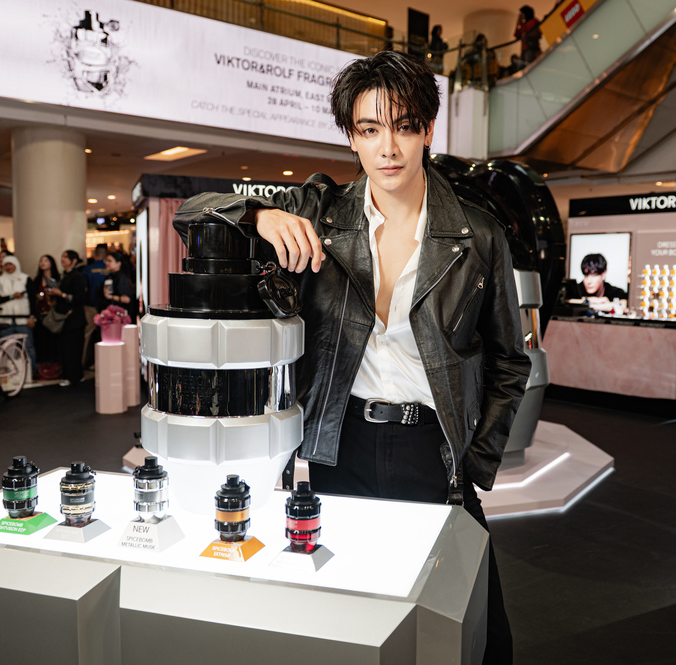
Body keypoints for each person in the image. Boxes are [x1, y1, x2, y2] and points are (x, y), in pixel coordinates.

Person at [172, 49, 528, 664]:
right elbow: (191, 213)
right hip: (340, 448)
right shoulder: (321, 214)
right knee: (349, 619)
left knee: (476, 632)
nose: (388, 148)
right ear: (351, 137)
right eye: (369, 130)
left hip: (435, 452)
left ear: (427, 131)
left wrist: (475, 460)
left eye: (404, 127)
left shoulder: (478, 235)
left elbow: (508, 362)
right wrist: (259, 215)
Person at [44, 250, 88, 387]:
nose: (63, 259)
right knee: (66, 348)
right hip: (65, 318)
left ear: (73, 261)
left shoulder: (77, 276)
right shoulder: (64, 275)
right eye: (62, 256)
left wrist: (61, 294)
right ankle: (70, 375)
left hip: (75, 318)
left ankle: (74, 376)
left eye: (66, 257)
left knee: (73, 349)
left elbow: (79, 297)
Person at [0, 255, 37, 374]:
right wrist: (12, 296)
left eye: (10, 264)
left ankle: (30, 372)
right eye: (6, 265)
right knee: (6, 347)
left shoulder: (25, 278)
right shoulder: (0, 280)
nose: (8, 267)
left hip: (23, 319)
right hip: (5, 319)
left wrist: (32, 316)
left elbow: (32, 299)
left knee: (28, 346)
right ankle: (9, 373)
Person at [32, 254, 62, 377]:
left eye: (46, 260)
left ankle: (55, 367)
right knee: (41, 341)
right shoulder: (37, 280)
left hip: (53, 314)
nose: (42, 263)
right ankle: (43, 368)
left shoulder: (58, 278)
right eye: (41, 261)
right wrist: (37, 296)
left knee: (53, 341)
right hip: (40, 313)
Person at [82, 243, 109, 366]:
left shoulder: (87, 270)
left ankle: (84, 362)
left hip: (90, 306)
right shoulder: (109, 269)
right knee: (107, 335)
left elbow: (84, 289)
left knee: (88, 335)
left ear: (95, 254)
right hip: (107, 309)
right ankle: (105, 363)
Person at [97, 250, 136, 322]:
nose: (107, 263)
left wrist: (109, 296)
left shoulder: (121, 277)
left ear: (118, 263)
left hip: (118, 318)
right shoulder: (110, 276)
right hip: (110, 317)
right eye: (106, 261)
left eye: (110, 261)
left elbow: (127, 299)